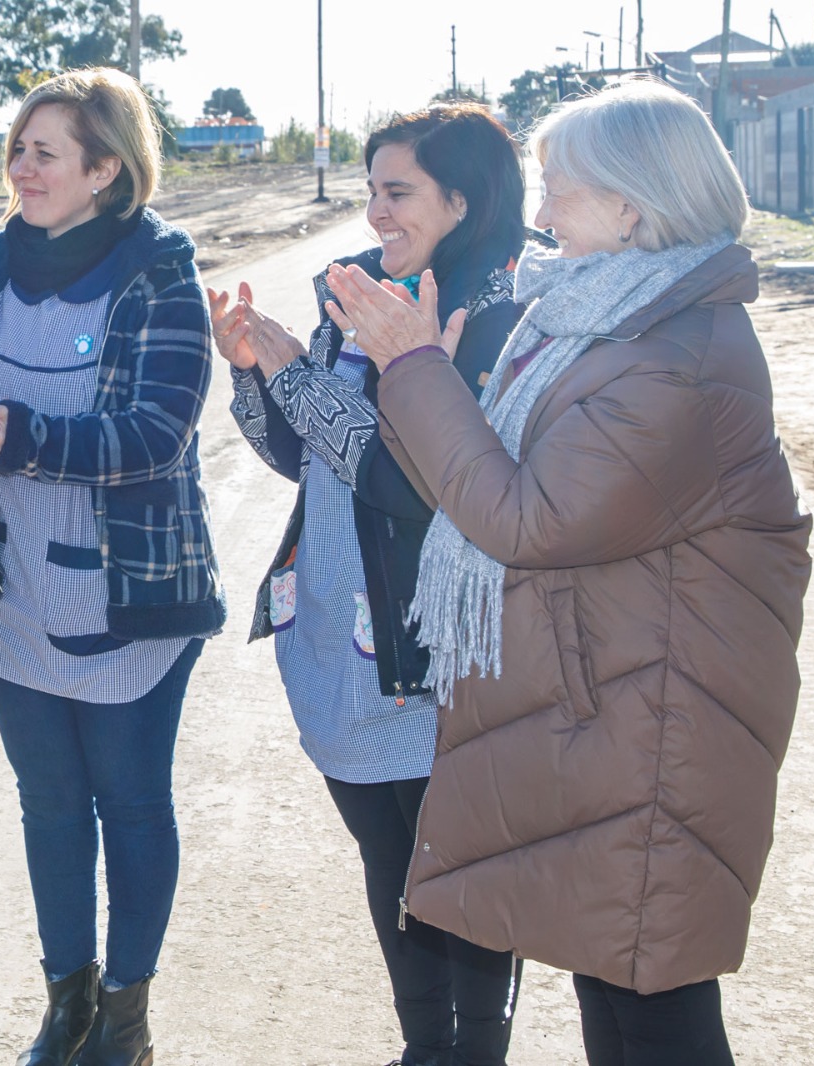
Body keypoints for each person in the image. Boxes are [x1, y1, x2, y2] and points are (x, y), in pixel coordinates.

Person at [321, 80, 813, 1066]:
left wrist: (414, 371)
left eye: (561, 188)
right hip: (618, 711)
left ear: (631, 204)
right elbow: (478, 494)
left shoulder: (674, 354)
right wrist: (421, 383)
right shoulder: (607, 322)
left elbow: (523, 520)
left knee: (654, 1013)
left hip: (659, 722)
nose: (540, 213)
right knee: (620, 991)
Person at [0, 67, 223, 1066]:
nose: (20, 166)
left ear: (105, 168)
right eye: (17, 147)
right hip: (13, 591)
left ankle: (124, 1016)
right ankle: (66, 999)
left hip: (129, 598)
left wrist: (25, 439)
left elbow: (158, 433)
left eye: (44, 151)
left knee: (128, 801)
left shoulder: (158, 270)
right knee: (48, 804)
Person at [206, 103, 535, 1066]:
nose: (377, 212)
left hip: (428, 646)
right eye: (372, 191)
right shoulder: (361, 292)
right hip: (340, 641)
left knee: (457, 872)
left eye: (399, 192)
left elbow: (414, 482)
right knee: (388, 862)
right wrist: (256, 375)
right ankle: (423, 1049)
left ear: (463, 201)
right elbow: (305, 458)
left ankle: (474, 1055)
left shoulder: (493, 312)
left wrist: (294, 376)